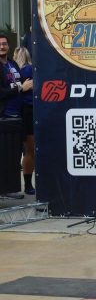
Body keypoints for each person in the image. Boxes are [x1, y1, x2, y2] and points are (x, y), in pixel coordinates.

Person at [0, 35, 31, 199]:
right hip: (4, 117)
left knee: (15, 155)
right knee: (4, 156)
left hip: (18, 115)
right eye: (0, 44)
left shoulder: (12, 64)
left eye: (4, 44)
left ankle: (10, 189)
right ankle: (4, 190)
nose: (2, 47)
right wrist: (20, 88)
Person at [13, 47, 35, 195]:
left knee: (25, 151)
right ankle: (28, 185)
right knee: (30, 151)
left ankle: (26, 185)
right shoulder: (29, 69)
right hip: (29, 110)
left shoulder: (13, 70)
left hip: (18, 112)